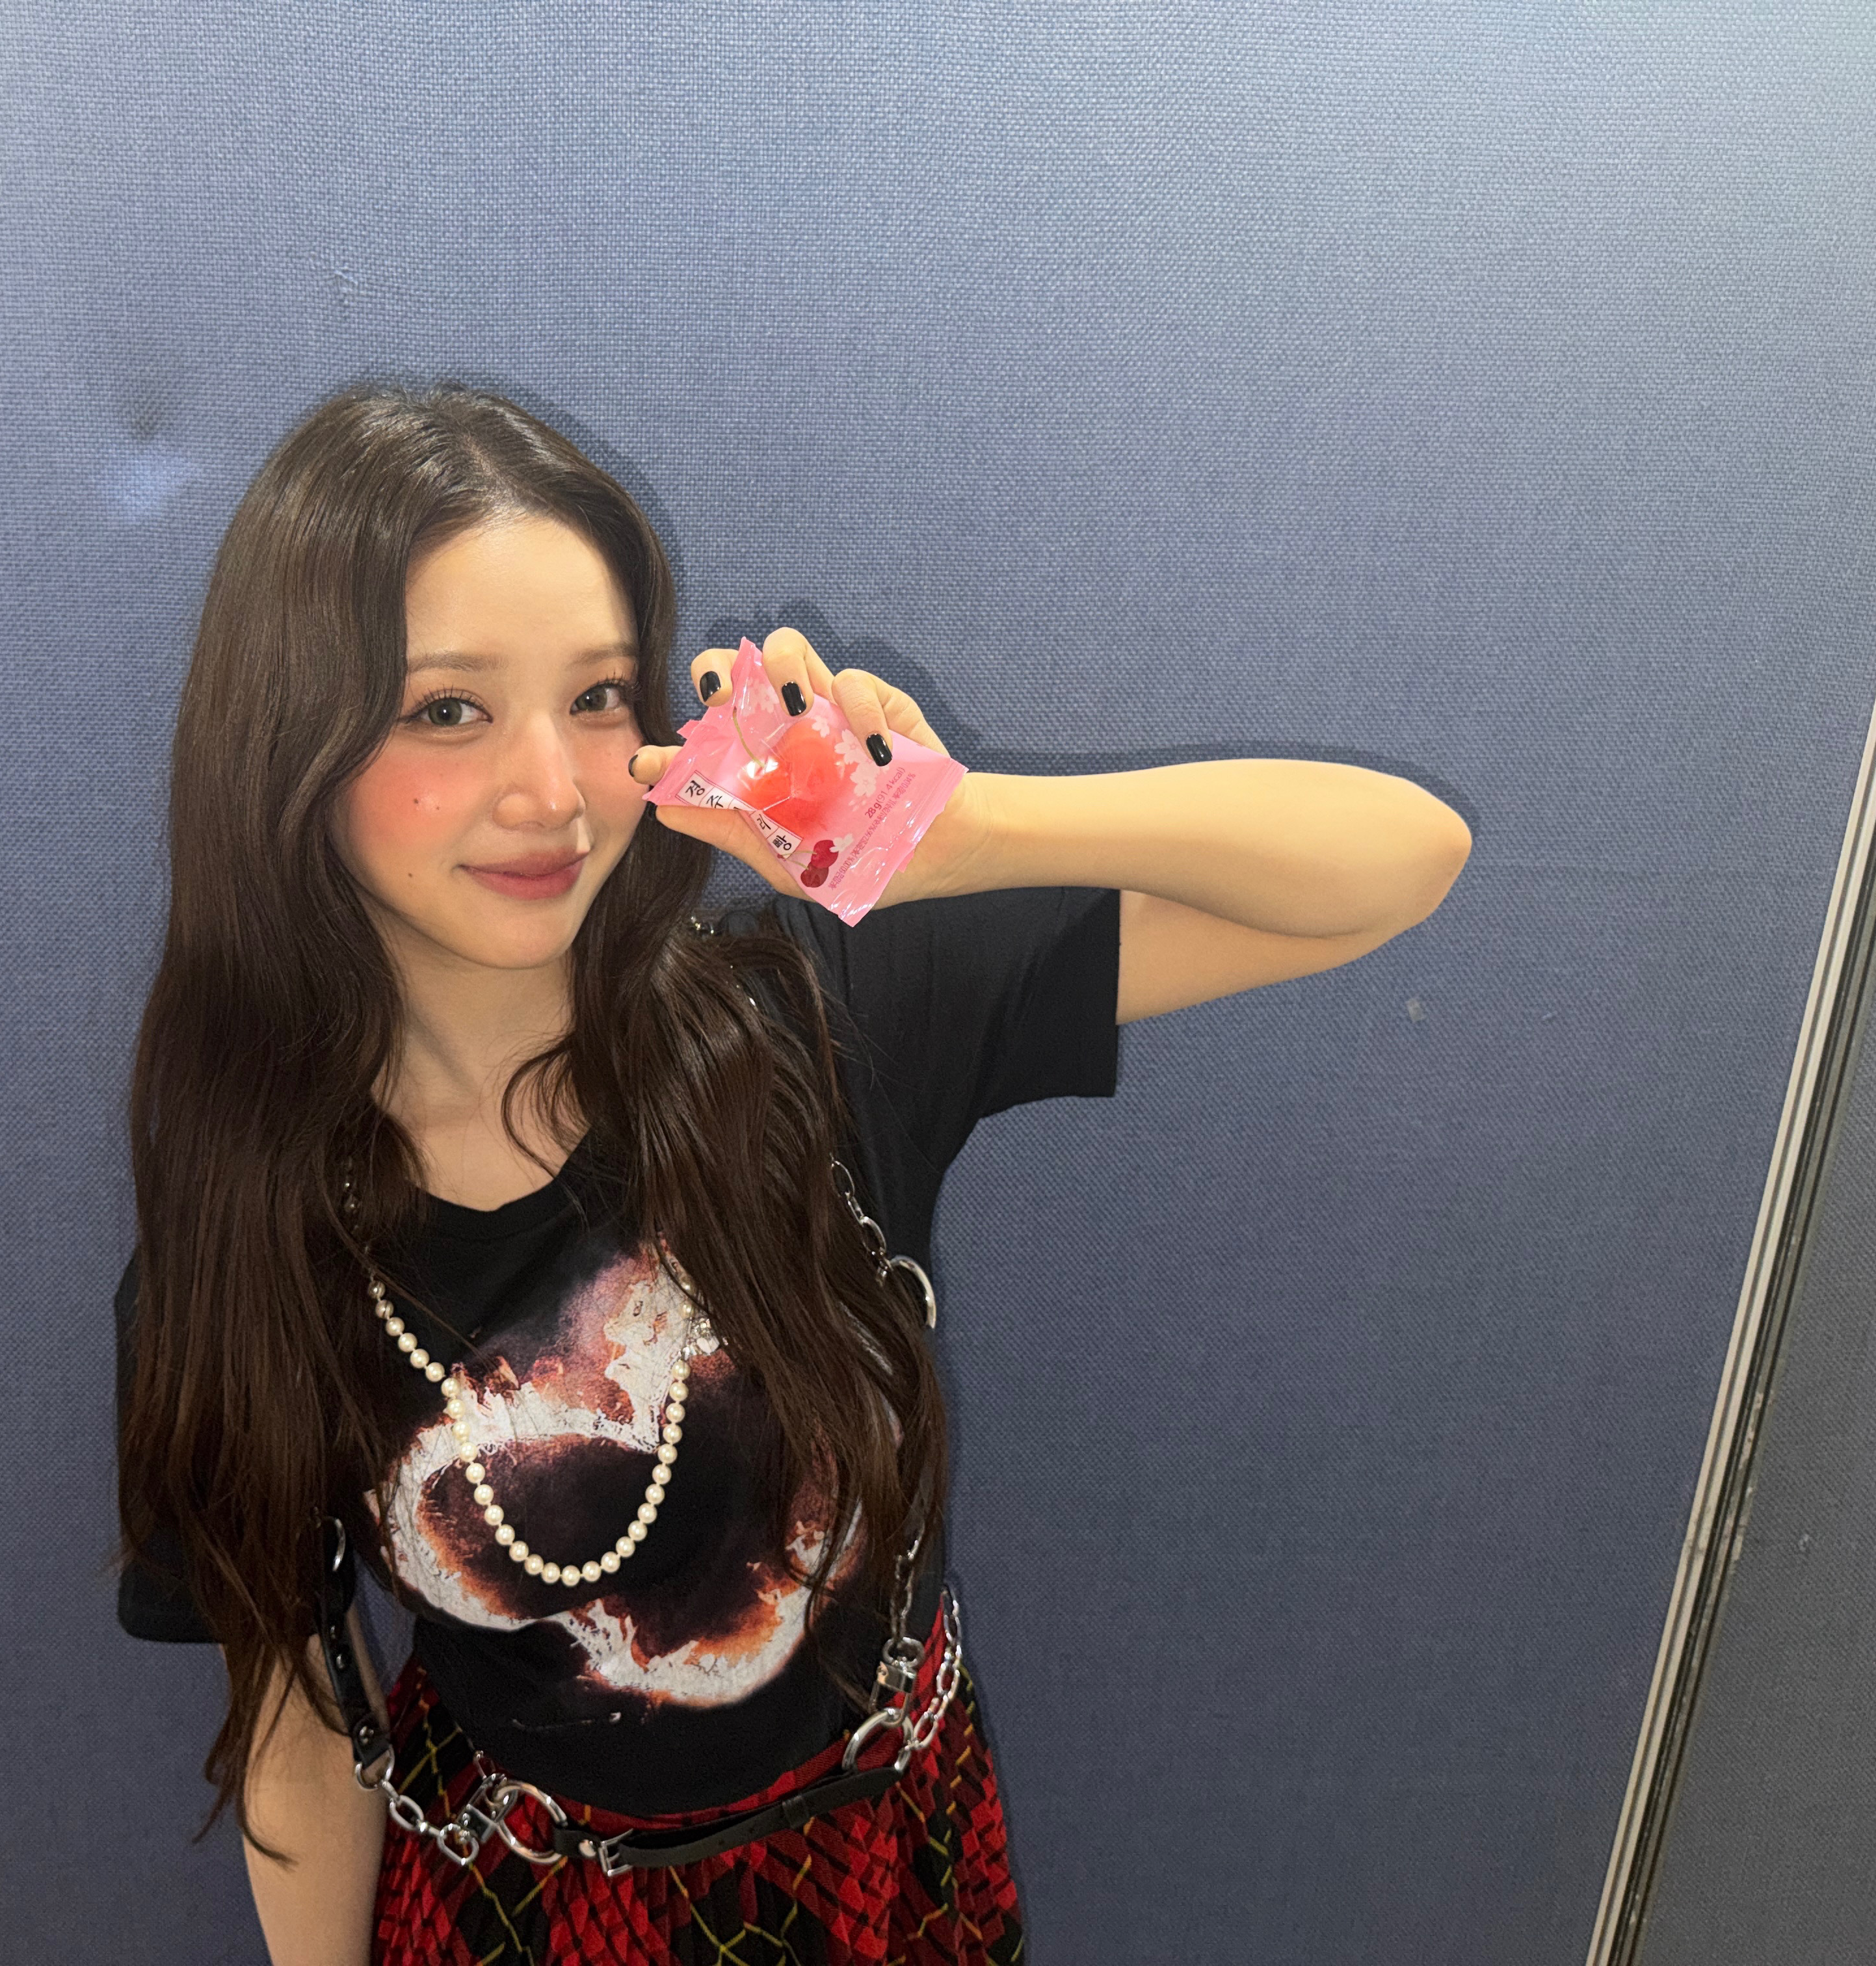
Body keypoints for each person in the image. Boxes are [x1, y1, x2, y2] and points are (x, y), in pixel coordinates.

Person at [112, 382, 1472, 1965]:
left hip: (894, 1875)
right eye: (449, 711)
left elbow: (1397, 860)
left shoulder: (821, 1020)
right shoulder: (249, 1245)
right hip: (528, 1915)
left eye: (599, 695)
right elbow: (296, 1722)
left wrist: (957, 836)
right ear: (292, 745)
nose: (552, 790)